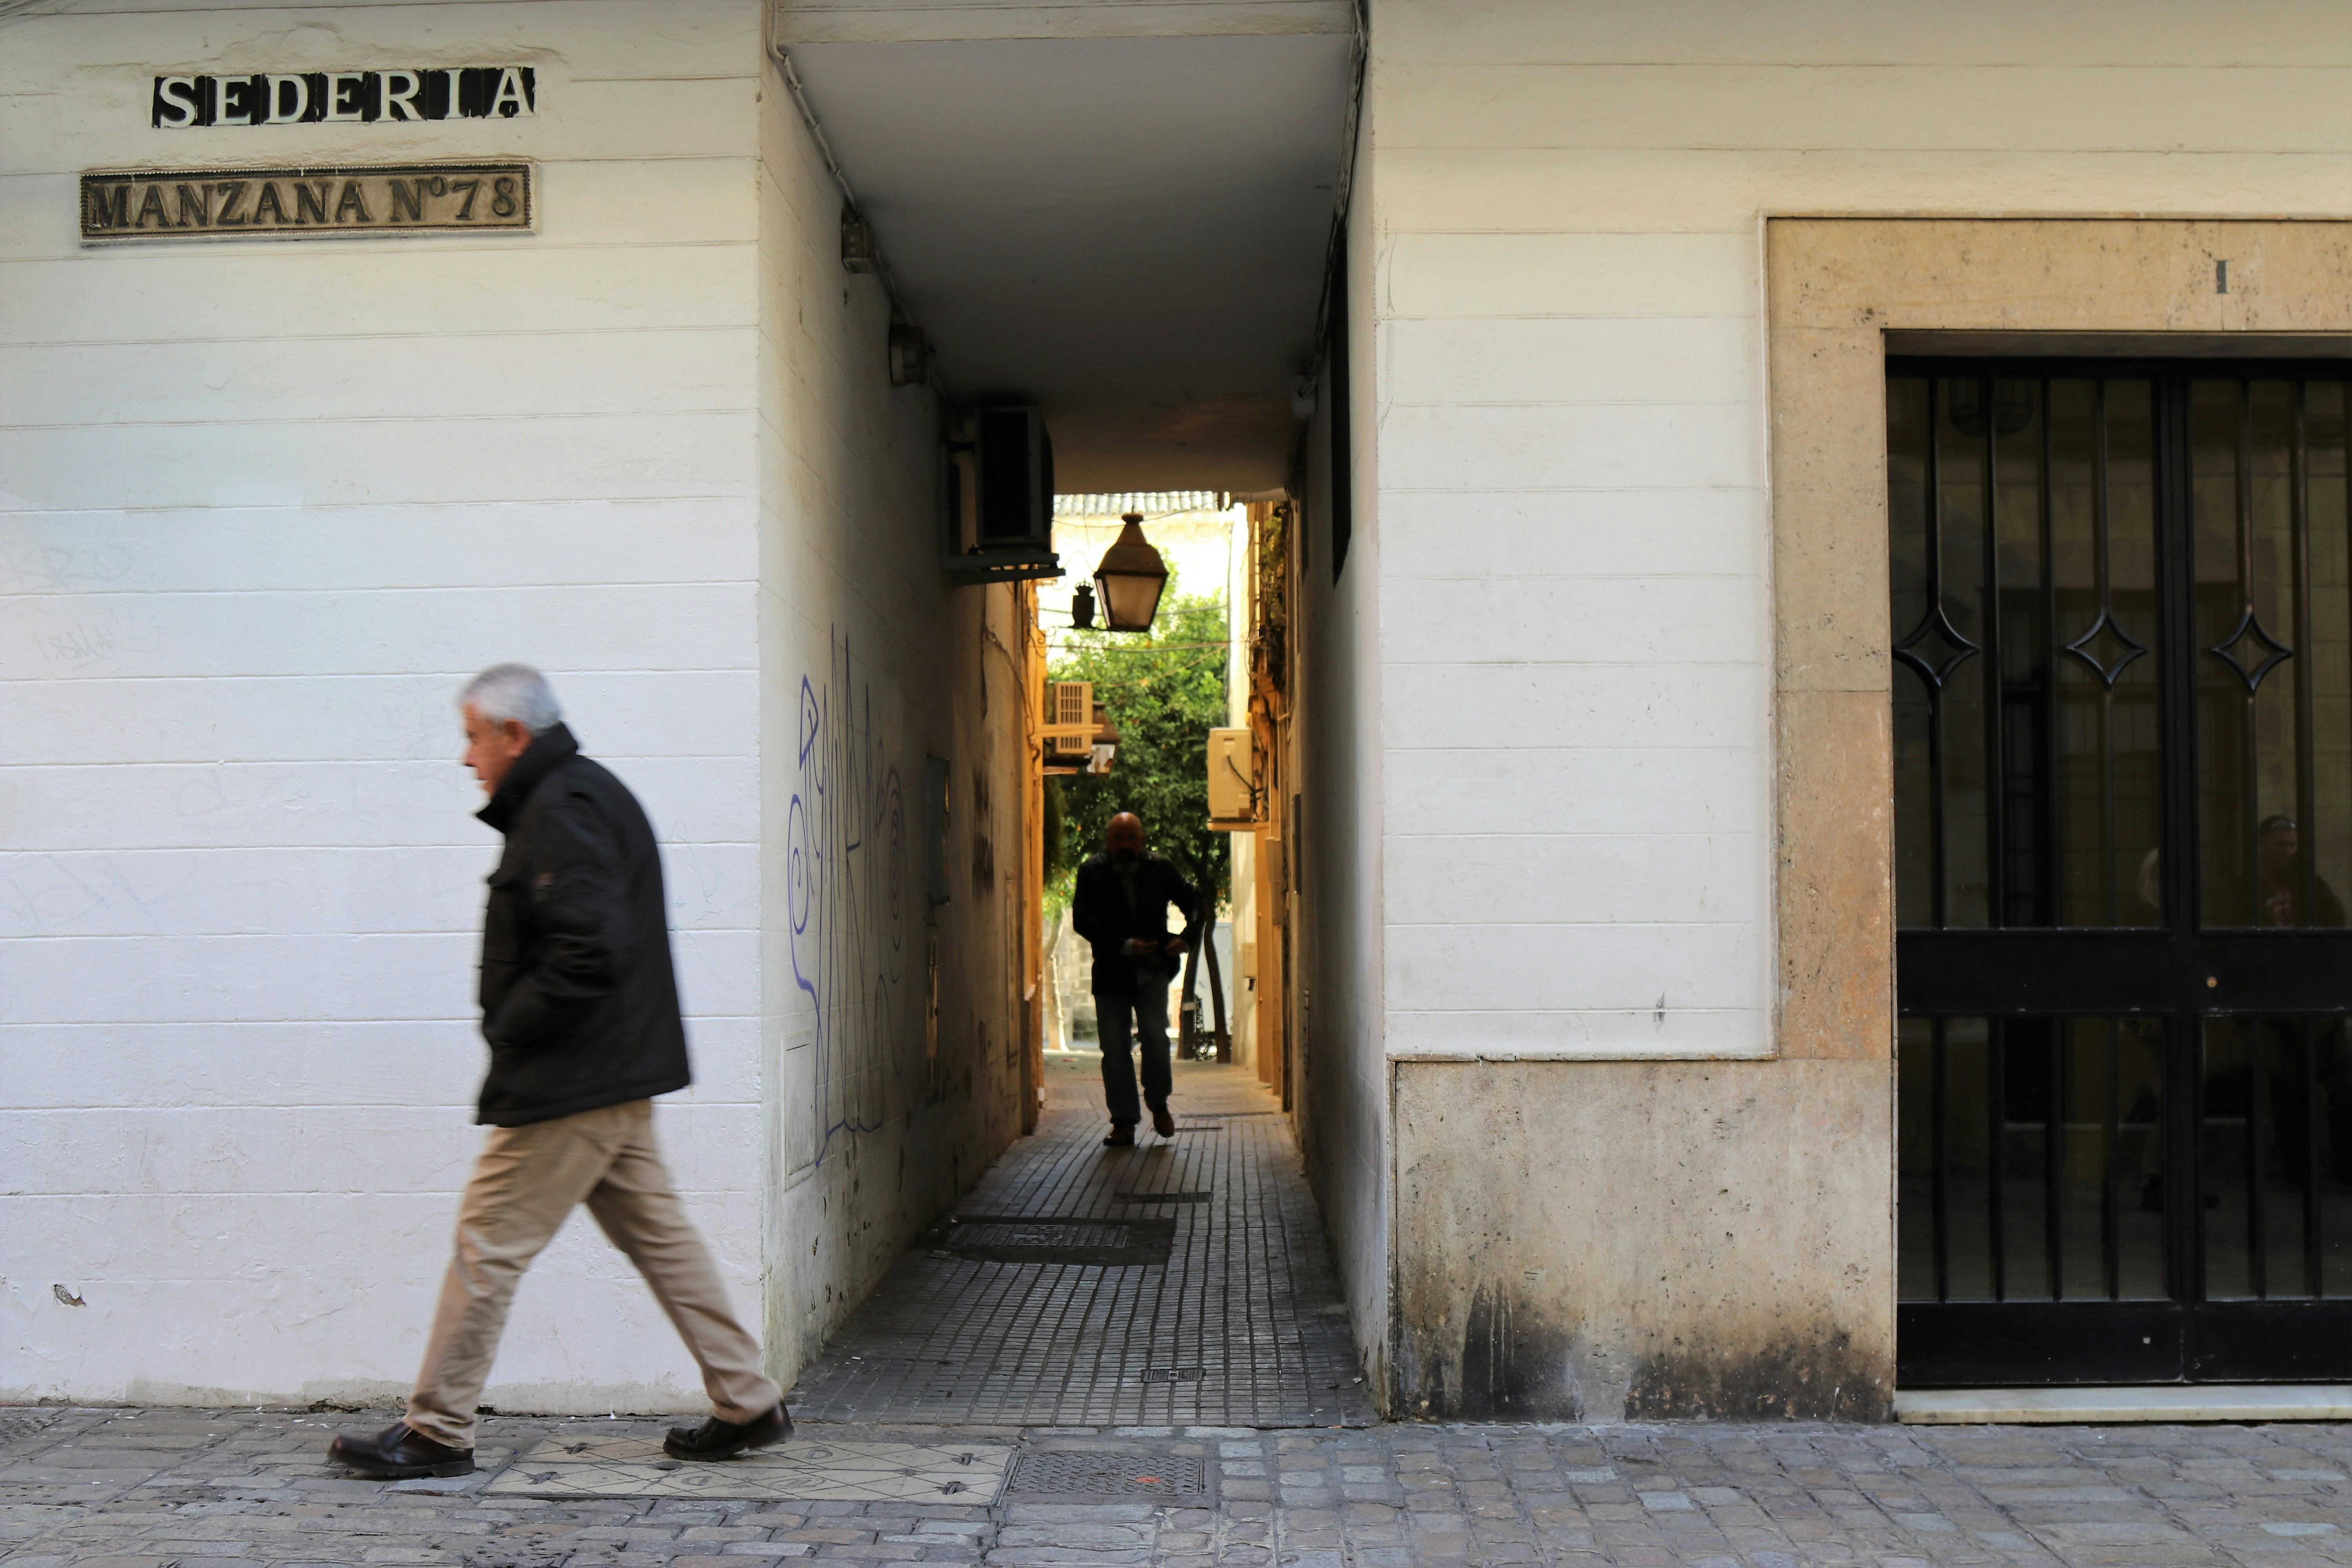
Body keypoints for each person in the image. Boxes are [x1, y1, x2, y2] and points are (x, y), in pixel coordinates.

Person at [328, 664, 788, 1480]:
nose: (467, 757)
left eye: (474, 736)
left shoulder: (563, 807)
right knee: (663, 1240)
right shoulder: (577, 795)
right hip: (609, 1075)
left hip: (570, 1083)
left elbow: (589, 946)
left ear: (515, 735)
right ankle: (748, 1399)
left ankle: (437, 1428)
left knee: (486, 1243)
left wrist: (512, 1024)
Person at [1071, 812, 1201, 1147]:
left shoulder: (1161, 868)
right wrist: (1124, 947)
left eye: (1132, 838)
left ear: (1142, 840)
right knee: (1114, 1050)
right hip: (1111, 975)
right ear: (1108, 840)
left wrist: (1186, 938)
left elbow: (1195, 903)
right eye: (1119, 838)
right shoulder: (1092, 872)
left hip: (1153, 972)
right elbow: (1083, 920)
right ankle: (1124, 1122)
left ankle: (1159, 1105)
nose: (1125, 844)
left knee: (1156, 1039)